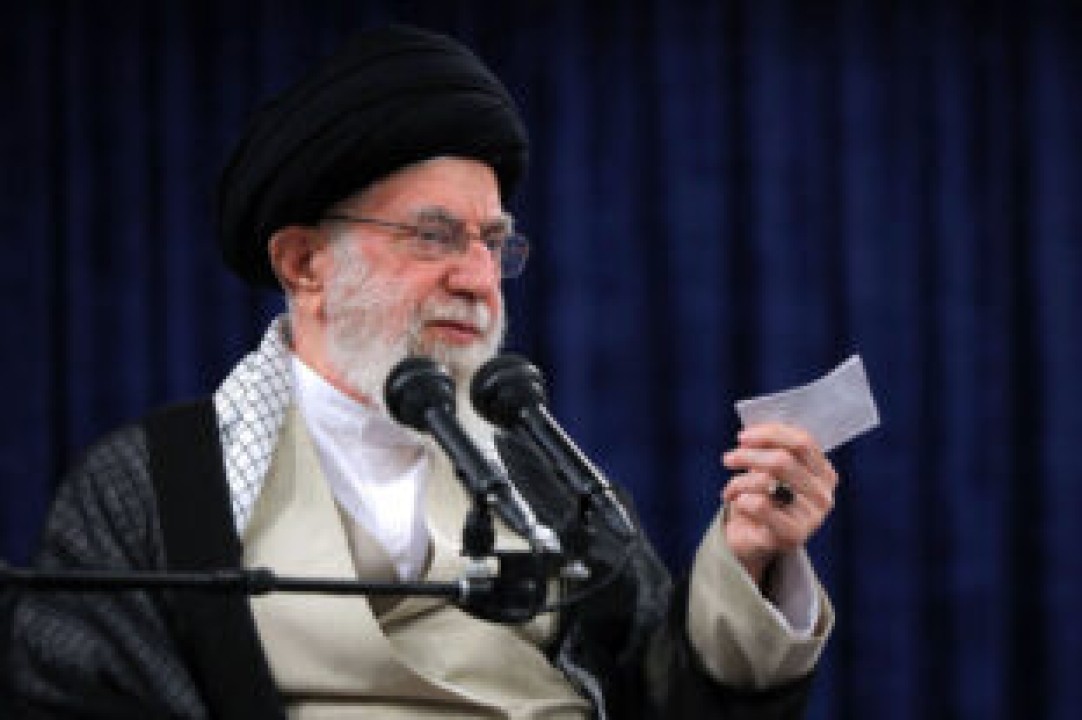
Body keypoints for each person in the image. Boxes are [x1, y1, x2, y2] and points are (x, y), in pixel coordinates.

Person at [8, 24, 837, 719]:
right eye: (434, 237)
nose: (478, 278)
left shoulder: (542, 468)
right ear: (304, 263)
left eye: (493, 243)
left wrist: (748, 558)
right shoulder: (158, 485)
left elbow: (667, 697)